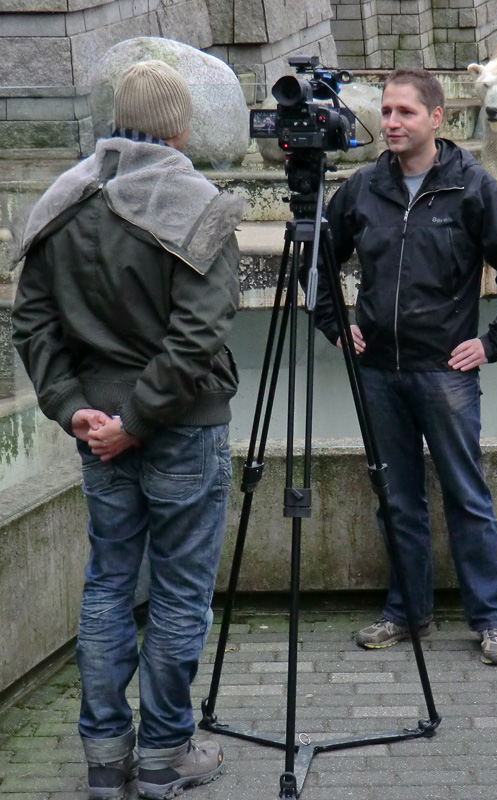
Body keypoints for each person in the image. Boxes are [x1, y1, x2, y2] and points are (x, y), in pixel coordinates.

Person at [12, 61, 244, 799]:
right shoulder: (199, 205)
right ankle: (164, 755)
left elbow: (31, 320)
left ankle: (105, 761)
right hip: (176, 428)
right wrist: (137, 420)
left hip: (95, 430)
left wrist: (71, 407)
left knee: (109, 587)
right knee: (178, 595)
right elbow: (197, 335)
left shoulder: (63, 201)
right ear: (180, 125)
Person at [315, 68, 497, 665]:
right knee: (396, 499)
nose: (391, 122)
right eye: (387, 112)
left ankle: (492, 620)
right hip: (378, 373)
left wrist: (494, 343)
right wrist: (335, 325)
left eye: (405, 113)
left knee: (466, 495)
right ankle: (406, 610)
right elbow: (317, 258)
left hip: (444, 372)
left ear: (436, 118)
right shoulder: (364, 188)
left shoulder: (472, 187)